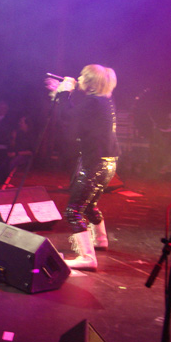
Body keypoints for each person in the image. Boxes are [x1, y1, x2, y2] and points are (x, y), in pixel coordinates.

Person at [46, 64, 120, 271]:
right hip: (107, 162)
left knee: (73, 211)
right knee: (89, 204)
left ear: (90, 81)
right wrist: (61, 94)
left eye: (81, 76)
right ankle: (100, 240)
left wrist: (64, 93)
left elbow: (68, 118)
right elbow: (75, 116)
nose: (78, 78)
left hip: (95, 162)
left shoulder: (93, 102)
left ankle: (87, 258)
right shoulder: (103, 100)